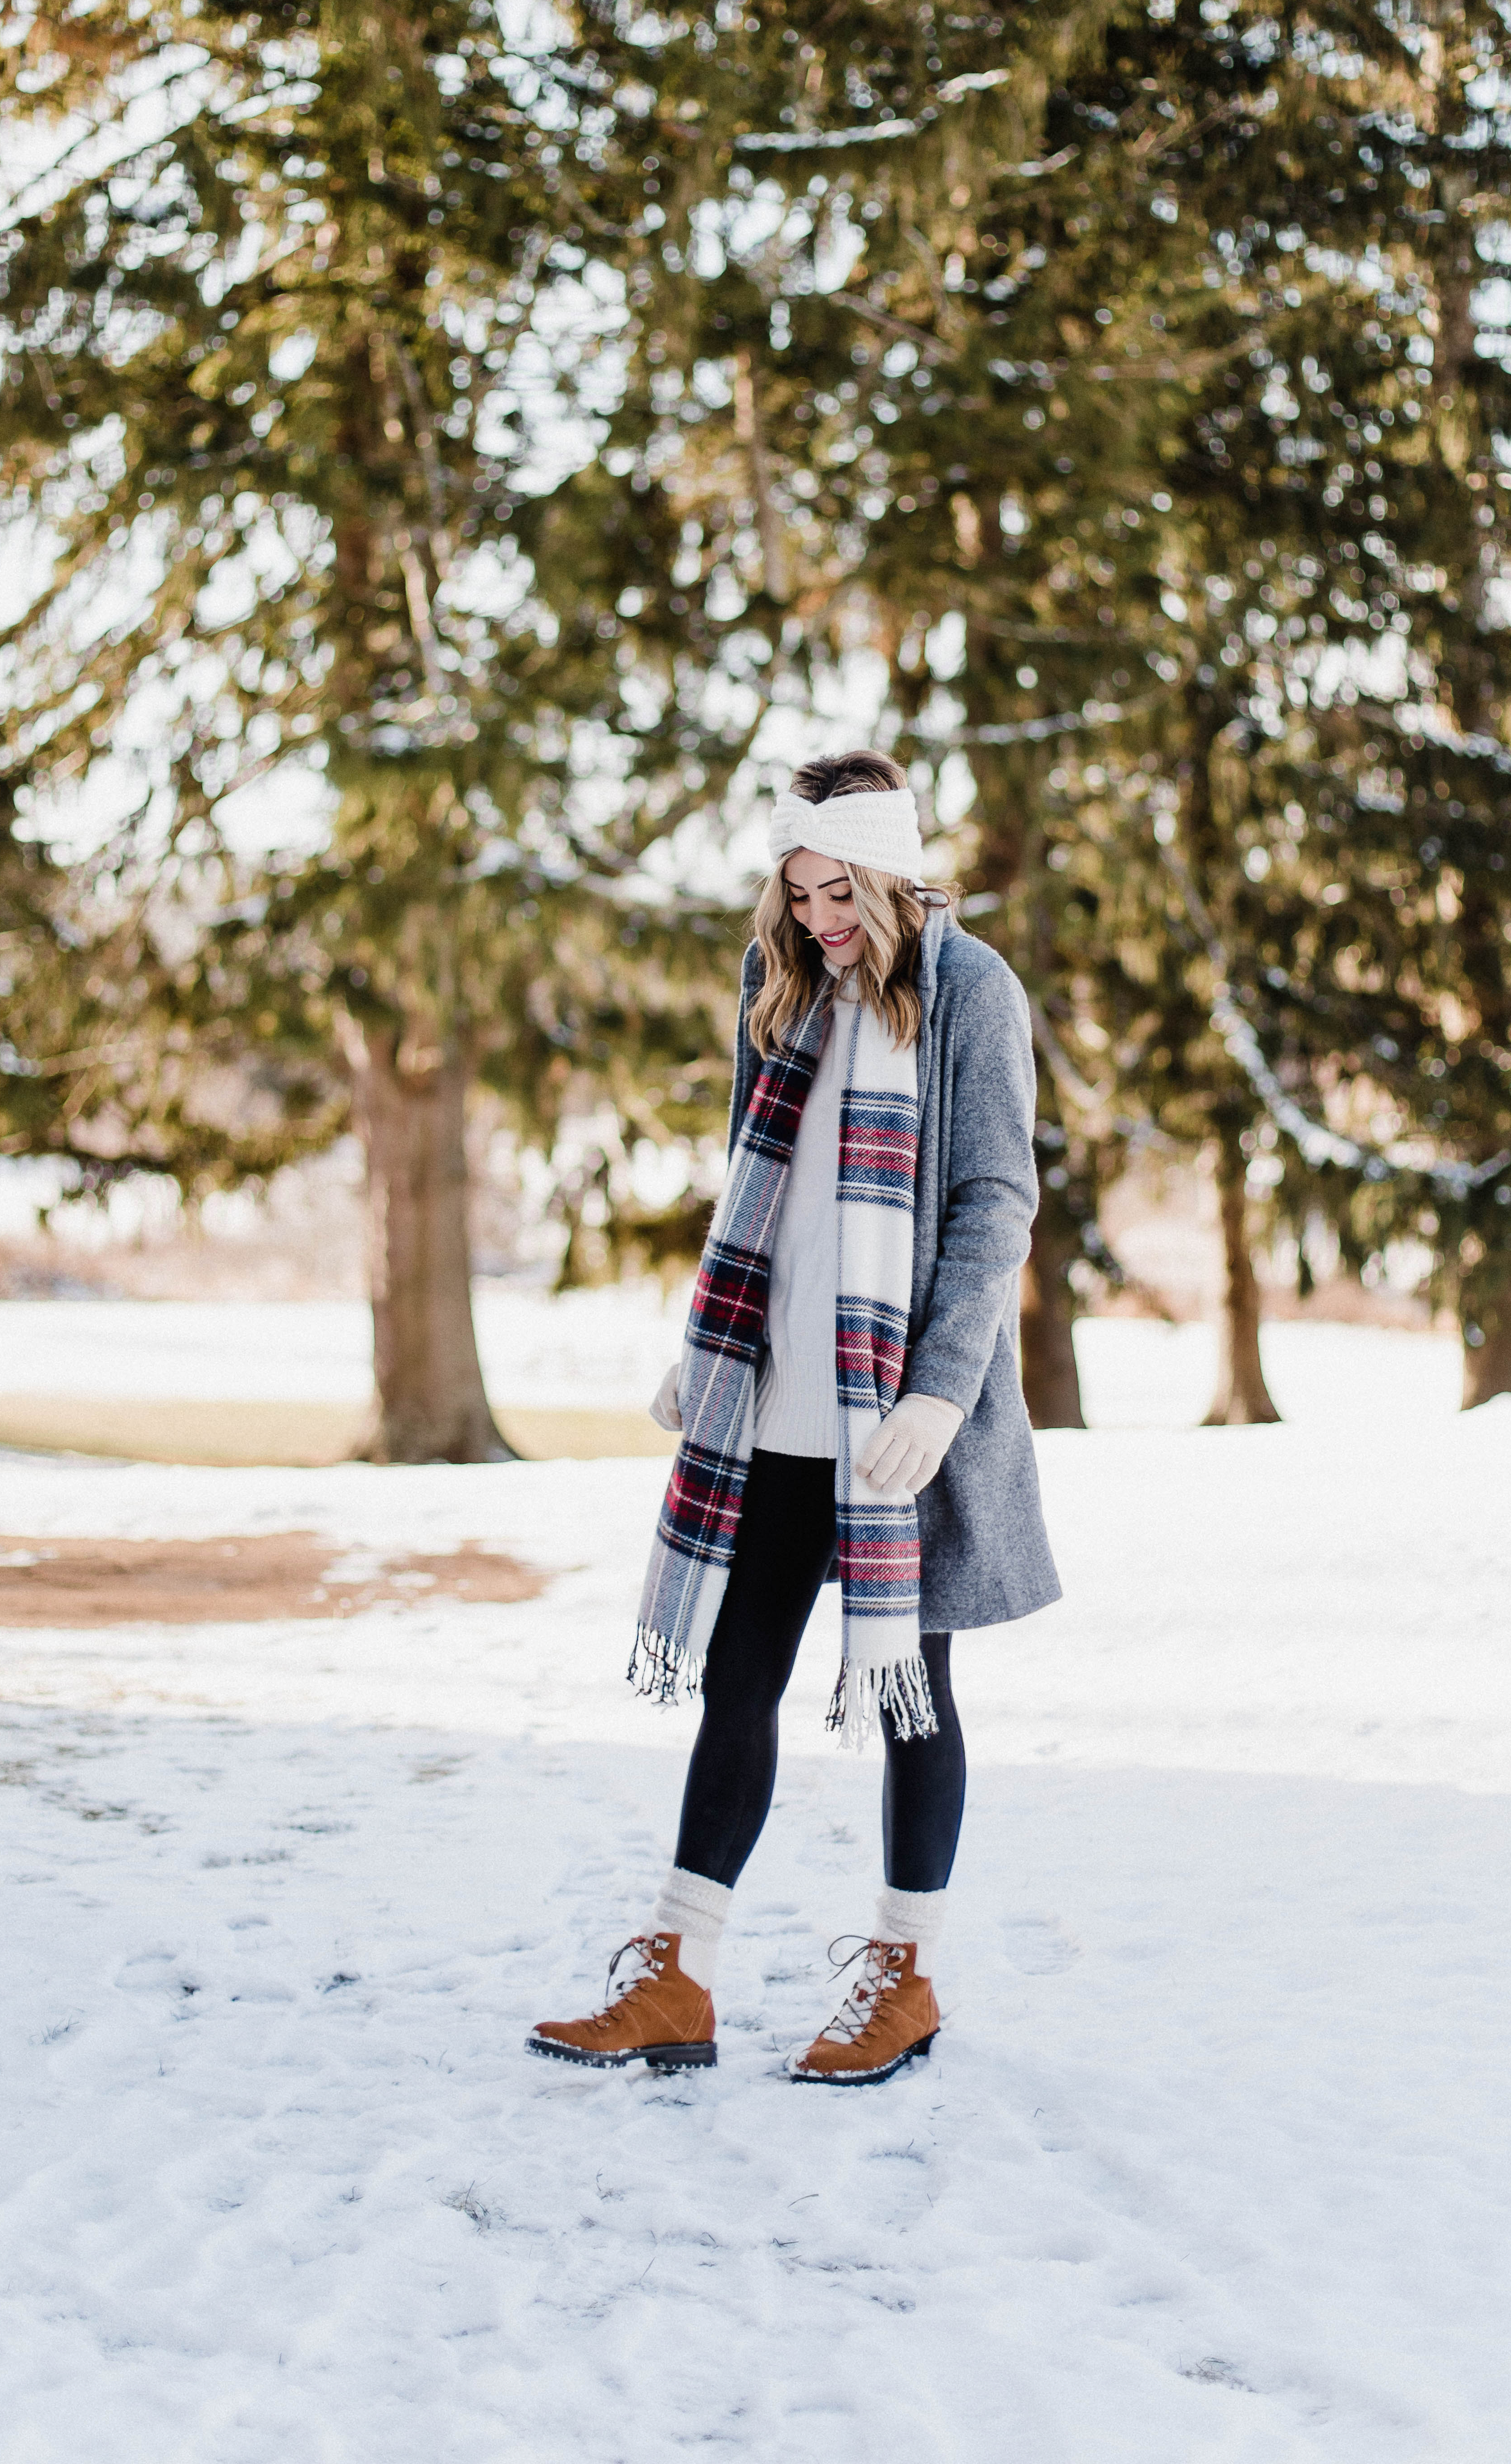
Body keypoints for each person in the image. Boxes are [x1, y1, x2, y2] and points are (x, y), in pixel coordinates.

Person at [528, 749, 1060, 2086]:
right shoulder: (776, 988)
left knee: (913, 1695)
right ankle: (678, 1978)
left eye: (843, 890)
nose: (822, 915)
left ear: (893, 873)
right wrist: (706, 1356)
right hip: (776, 1396)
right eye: (801, 887)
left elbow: (996, 1201)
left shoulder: (970, 995)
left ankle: (906, 1975)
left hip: (899, 1412)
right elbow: (744, 1186)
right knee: (740, 1675)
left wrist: (943, 1391)